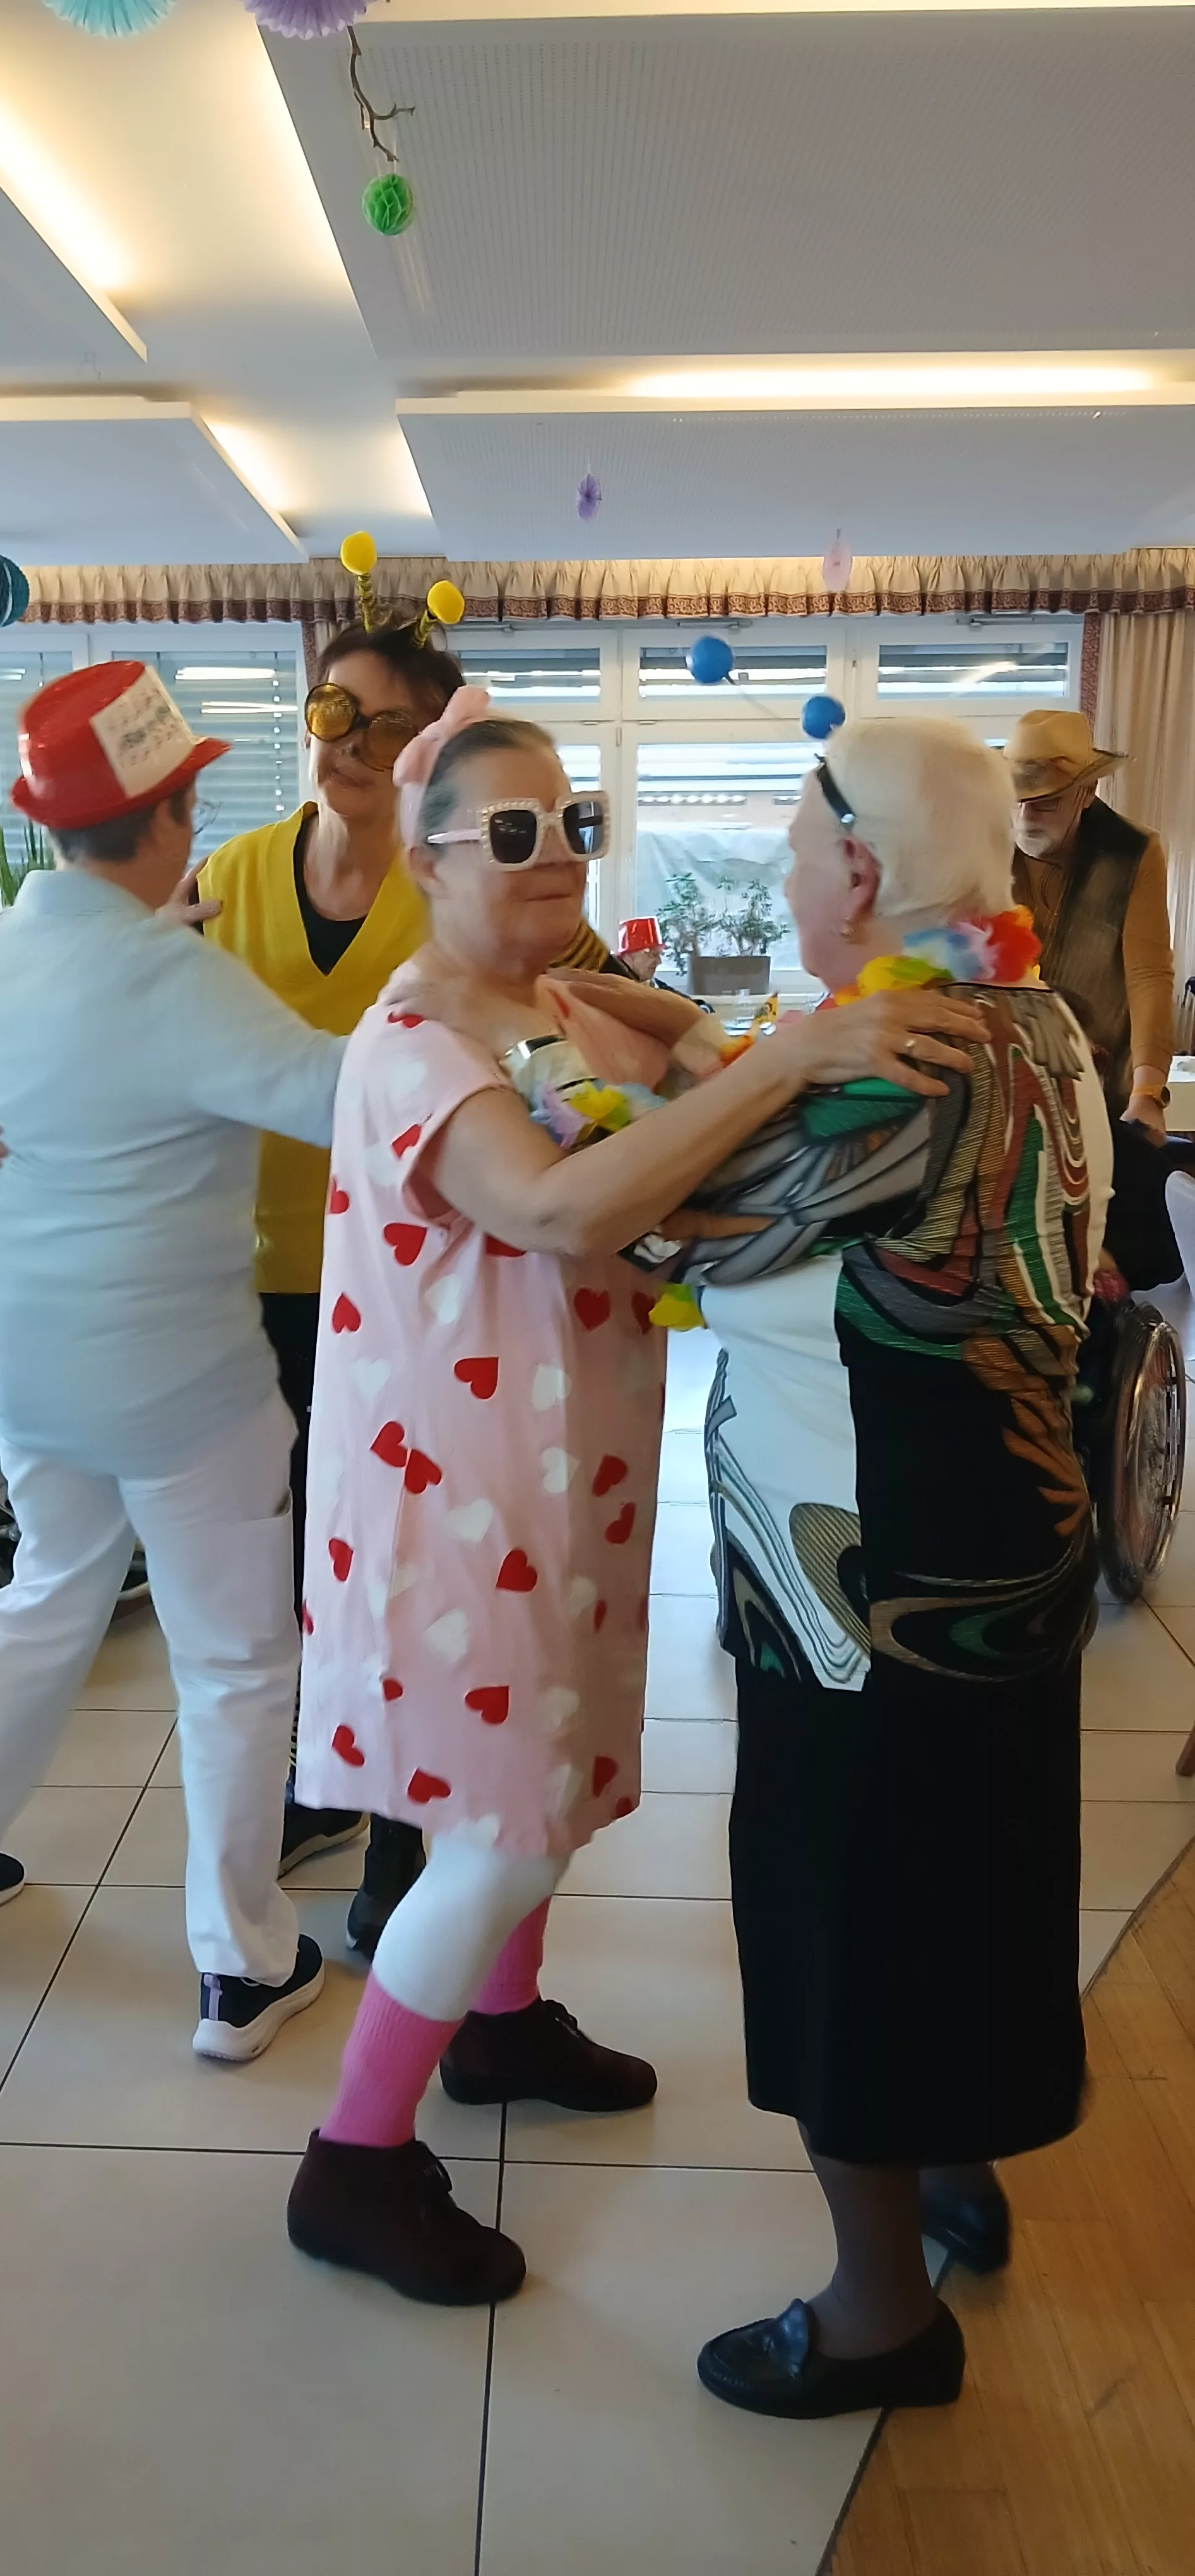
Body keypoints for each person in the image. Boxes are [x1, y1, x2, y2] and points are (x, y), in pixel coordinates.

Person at [283, 700, 990, 2307]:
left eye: (573, 823)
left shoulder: (562, 997)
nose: (555, 857)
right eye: (511, 833)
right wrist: (788, 1054)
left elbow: (702, 1097)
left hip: (567, 1470)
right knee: (497, 1829)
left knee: (547, 1778)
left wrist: (751, 1040)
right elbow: (554, 1203)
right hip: (457, 1496)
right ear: (428, 859)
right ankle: (354, 2159)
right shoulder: (412, 1044)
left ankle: (502, 2026)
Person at [639, 718, 1110, 2419]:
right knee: (967, 1875)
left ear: (858, 866)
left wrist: (559, 1074)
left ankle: (876, 2312)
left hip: (864, 1589)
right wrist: (688, 1034)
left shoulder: (897, 1067)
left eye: (789, 849)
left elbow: (651, 1216)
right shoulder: (1027, 1014)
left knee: (847, 1911)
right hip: (1004, 1547)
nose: (778, 877)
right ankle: (953, 2159)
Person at [0, 663, 346, 2067]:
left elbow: (10, 1073)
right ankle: (243, 1966)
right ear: (174, 813)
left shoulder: (5, 947)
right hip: (176, 1382)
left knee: (48, 1591)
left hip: (30, 1358)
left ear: (51, 825)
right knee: (236, 1660)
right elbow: (343, 1095)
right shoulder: (176, 980)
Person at [197, 624, 631, 1960]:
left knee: (402, 1573)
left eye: (384, 725)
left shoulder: (467, 874)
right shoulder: (232, 877)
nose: (346, 743)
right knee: (294, 1567)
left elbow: (596, 997)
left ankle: (399, 1858)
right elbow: (134, 1020)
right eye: (331, 711)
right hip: (242, 1277)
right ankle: (320, 1788)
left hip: (412, 1302)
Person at [1009, 709, 1174, 1136]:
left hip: (1102, 1083)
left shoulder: (1133, 851)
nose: (1025, 818)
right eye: (1016, 800)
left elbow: (1149, 974)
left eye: (1045, 803)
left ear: (1086, 793)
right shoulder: (984, 844)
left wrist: (1148, 1093)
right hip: (1007, 1082)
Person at [617, 915, 664, 982]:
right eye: (654, 954)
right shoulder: (611, 984)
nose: (659, 962)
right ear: (630, 955)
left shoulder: (657, 985)